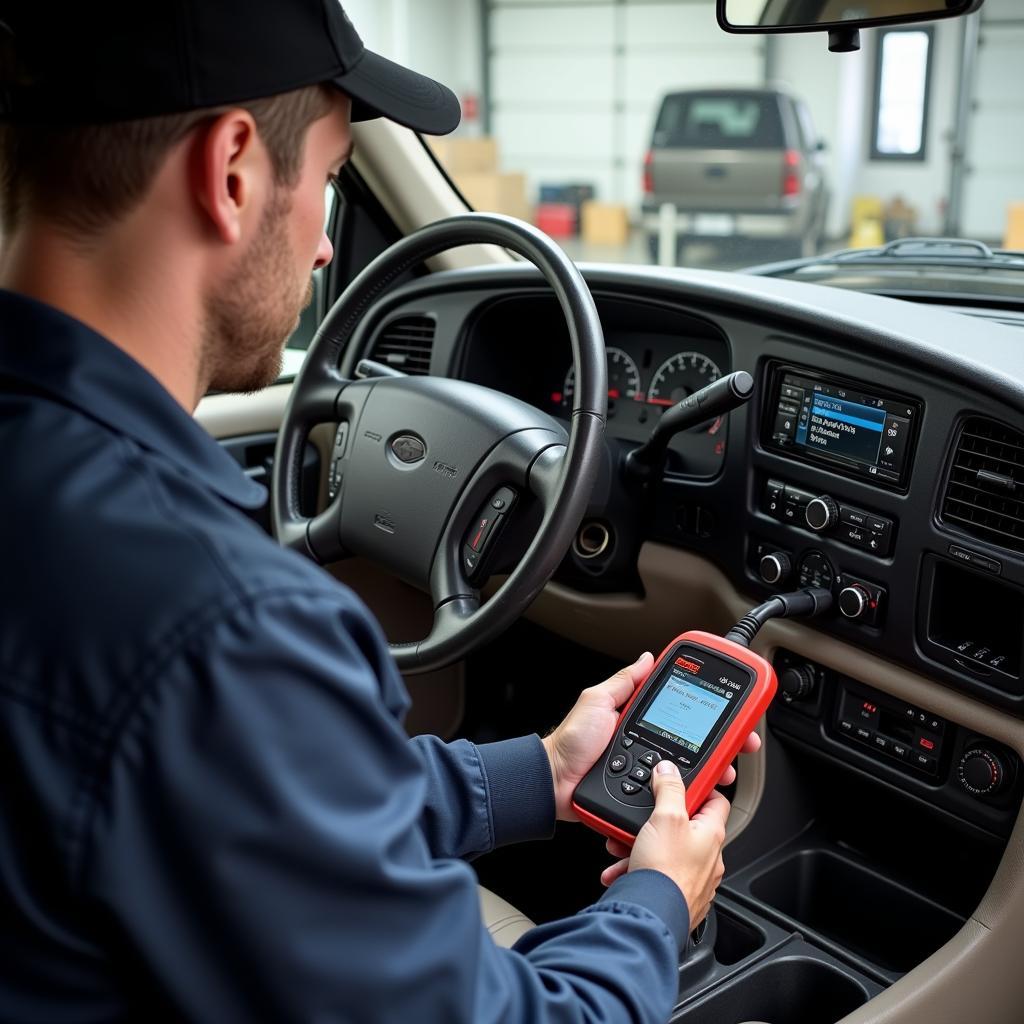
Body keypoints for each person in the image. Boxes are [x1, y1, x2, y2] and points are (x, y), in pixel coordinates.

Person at [0, 3, 759, 1021]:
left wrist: (541, 769)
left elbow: (257, 802)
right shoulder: (225, 627)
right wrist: (662, 901)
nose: (323, 247)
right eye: (324, 179)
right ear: (230, 172)